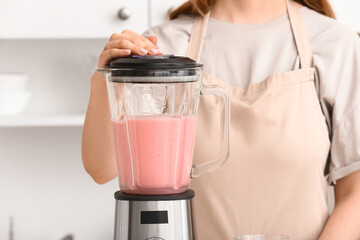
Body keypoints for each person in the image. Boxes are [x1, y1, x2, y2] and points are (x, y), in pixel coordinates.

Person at [81, 0, 360, 239]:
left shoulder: (336, 44)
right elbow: (101, 168)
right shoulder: (162, 47)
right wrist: (104, 79)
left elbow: (355, 193)